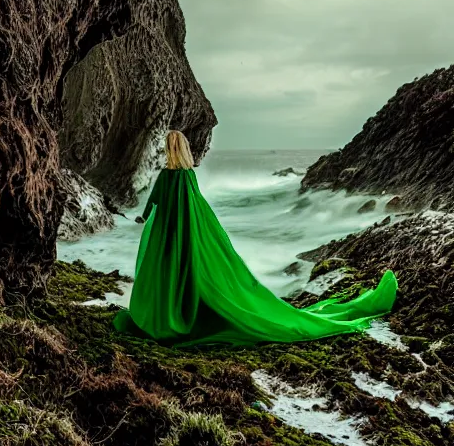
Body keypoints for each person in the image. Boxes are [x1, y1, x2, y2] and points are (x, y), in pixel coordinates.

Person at [112, 130, 398, 348]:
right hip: (186, 235)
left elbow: (155, 204)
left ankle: (170, 314)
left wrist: (143, 217)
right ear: (185, 149)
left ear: (169, 150)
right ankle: (187, 310)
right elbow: (196, 205)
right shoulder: (188, 176)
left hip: (168, 236)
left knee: (171, 275)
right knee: (194, 275)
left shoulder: (167, 176)